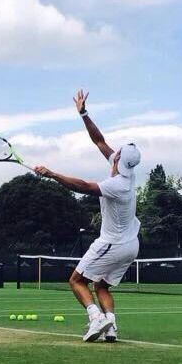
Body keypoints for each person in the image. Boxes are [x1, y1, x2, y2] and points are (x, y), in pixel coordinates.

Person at [33, 90, 141, 343]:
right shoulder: (126, 169)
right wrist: (83, 113)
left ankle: (96, 319)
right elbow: (99, 141)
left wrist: (52, 174)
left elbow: (82, 186)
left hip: (112, 243)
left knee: (76, 280)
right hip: (131, 245)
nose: (113, 154)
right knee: (101, 285)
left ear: (120, 160)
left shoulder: (118, 186)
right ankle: (111, 327)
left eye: (117, 154)